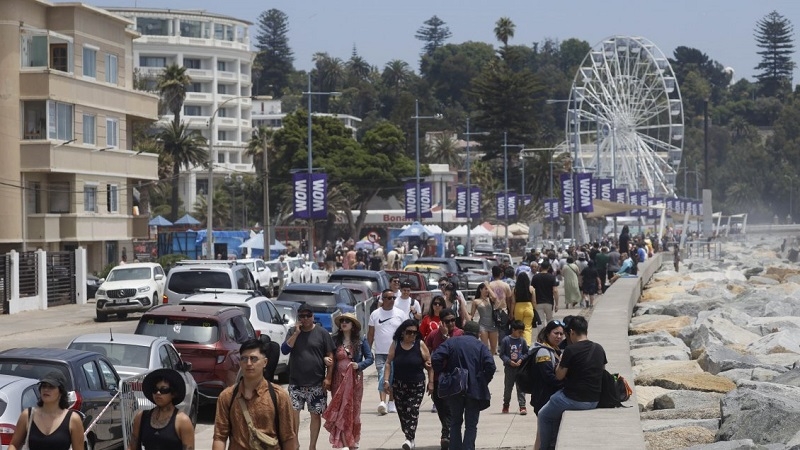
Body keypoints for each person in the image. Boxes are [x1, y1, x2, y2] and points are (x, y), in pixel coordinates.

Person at [213, 339, 298, 450]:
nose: (248, 363)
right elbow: (220, 437)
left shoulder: (278, 396)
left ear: (265, 362)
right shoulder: (227, 396)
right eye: (244, 358)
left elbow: (288, 438)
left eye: (254, 359)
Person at [536, 316, 606, 450]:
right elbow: (602, 372)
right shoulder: (599, 348)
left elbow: (559, 376)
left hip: (574, 399)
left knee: (543, 415)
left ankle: (544, 448)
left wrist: (561, 360)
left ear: (572, 332)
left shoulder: (570, 350)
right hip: (594, 399)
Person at [431, 321, 496, 450]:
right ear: (478, 334)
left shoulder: (452, 342)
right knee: (471, 424)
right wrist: (483, 381)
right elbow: (491, 366)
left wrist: (444, 373)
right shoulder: (481, 346)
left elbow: (436, 357)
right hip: (474, 389)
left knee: (455, 422)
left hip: (455, 388)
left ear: (463, 331)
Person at [280, 305, 335, 450]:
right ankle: (295, 443)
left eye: (307, 316)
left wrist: (328, 378)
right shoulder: (293, 331)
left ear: (313, 316)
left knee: (315, 415)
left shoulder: (322, 333)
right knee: (294, 414)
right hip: (296, 382)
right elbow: (285, 350)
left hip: (316, 382)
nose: (305, 319)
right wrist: (296, 333)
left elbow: (330, 355)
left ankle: (312, 446)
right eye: (301, 316)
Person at [323, 313, 374, 450]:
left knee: (353, 410)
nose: (344, 323)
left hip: (355, 380)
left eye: (347, 321)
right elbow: (327, 355)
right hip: (338, 380)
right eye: (342, 321)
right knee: (340, 410)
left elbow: (370, 358)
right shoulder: (334, 340)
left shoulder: (361, 340)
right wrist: (325, 360)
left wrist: (359, 365)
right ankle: (343, 443)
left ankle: (353, 439)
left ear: (353, 326)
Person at [383, 319, 434, 450]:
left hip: (416, 384)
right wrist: (386, 380)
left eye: (414, 333)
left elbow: (429, 364)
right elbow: (388, 362)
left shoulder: (420, 344)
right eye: (409, 332)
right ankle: (409, 436)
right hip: (399, 384)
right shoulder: (396, 344)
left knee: (412, 410)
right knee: (402, 413)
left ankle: (409, 438)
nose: (412, 335)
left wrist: (431, 382)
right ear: (402, 333)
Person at [7, 371, 84, 450]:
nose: (46, 389)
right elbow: (14, 445)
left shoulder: (73, 419)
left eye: (51, 387)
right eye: (44, 386)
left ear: (61, 392)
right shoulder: (27, 415)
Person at [424, 309, 463, 449]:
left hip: (454, 378)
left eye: (453, 320)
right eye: (448, 321)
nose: (451, 323)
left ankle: (446, 435)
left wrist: (446, 336)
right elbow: (426, 352)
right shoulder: (433, 335)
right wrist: (426, 362)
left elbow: (456, 351)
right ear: (441, 322)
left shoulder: (459, 334)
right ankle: (447, 432)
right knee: (441, 409)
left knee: (451, 409)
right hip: (438, 378)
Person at [129, 368, 194, 450]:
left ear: (173, 393)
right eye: (155, 389)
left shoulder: (182, 421)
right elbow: (132, 447)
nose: (158, 393)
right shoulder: (141, 417)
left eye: (164, 390)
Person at [368, 289, 407, 415]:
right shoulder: (375, 314)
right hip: (380, 351)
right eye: (388, 298)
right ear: (382, 299)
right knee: (382, 375)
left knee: (393, 378)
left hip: (396, 351)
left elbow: (406, 332)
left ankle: (392, 401)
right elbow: (371, 333)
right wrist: (367, 349)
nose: (391, 300)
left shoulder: (400, 314)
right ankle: (382, 402)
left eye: (393, 298)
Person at [530, 320, 565, 450]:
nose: (559, 337)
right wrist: (566, 385)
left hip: (549, 396)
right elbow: (548, 377)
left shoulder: (555, 350)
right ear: (548, 333)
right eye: (556, 333)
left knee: (541, 435)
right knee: (544, 436)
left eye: (561, 334)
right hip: (543, 397)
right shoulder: (543, 352)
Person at [499, 320, 529, 415]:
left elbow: (526, 353)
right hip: (509, 368)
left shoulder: (522, 341)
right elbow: (502, 354)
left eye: (522, 332)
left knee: (520, 388)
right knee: (508, 388)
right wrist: (509, 361)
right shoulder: (506, 340)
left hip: (519, 368)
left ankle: (522, 406)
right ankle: (506, 404)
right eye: (519, 332)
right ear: (513, 330)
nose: (520, 334)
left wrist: (521, 359)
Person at [470, 282, 501, 355]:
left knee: (493, 348)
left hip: (493, 324)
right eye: (485, 289)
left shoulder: (490, 299)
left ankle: (491, 361)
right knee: (485, 347)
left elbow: (495, 297)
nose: (487, 291)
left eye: (488, 289)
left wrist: (488, 286)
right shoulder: (476, 301)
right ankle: (485, 362)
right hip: (482, 325)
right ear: (480, 290)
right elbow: (472, 315)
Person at [511, 272, 536, 345]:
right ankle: (527, 344)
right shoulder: (531, 288)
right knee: (527, 328)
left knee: (519, 327)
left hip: (518, 308)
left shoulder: (515, 289)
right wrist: (534, 309)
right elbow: (534, 301)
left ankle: (519, 343)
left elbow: (513, 302)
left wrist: (511, 313)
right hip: (528, 306)